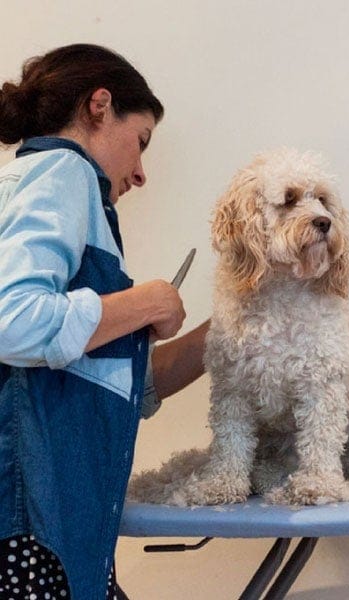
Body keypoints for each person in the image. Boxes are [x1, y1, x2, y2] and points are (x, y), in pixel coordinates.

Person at [0, 44, 209, 600]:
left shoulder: (48, 190)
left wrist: (227, 332)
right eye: (140, 142)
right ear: (99, 106)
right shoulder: (62, 171)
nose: (141, 173)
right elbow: (15, 322)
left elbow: (115, 384)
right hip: (33, 533)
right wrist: (148, 302)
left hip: (54, 530)